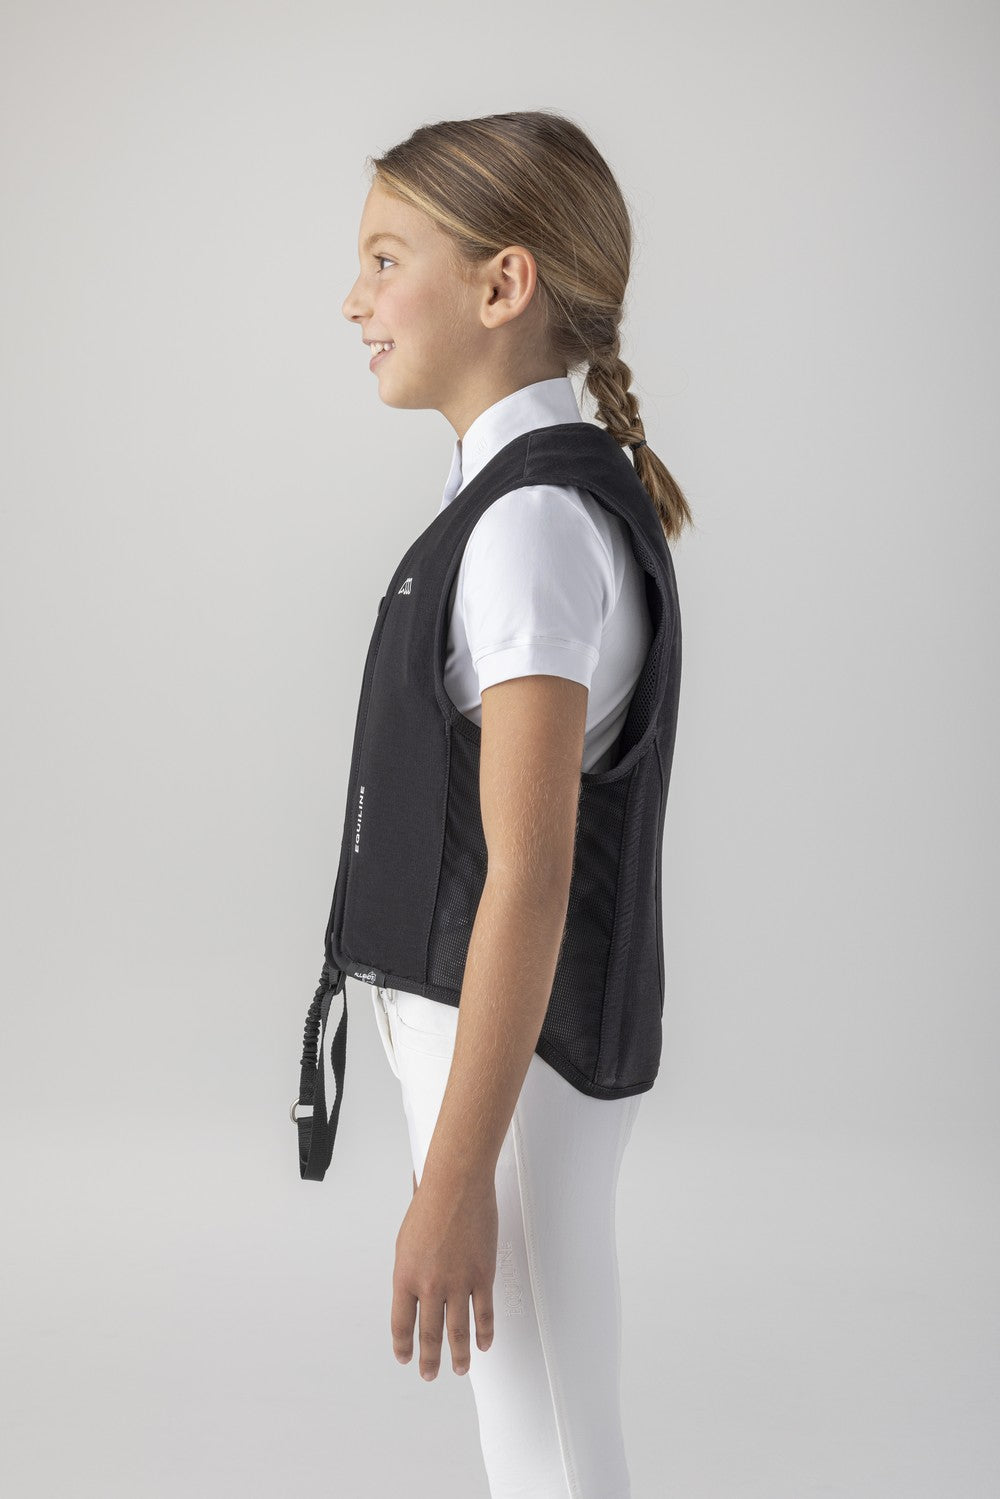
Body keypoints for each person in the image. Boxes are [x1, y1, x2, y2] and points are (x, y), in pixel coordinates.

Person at [336, 109, 692, 1499]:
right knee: (547, 1437)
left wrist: (454, 1178)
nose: (354, 300)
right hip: (509, 1059)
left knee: (549, 1453)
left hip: (510, 1067)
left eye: (385, 259)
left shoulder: (531, 526)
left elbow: (530, 873)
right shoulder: (520, 501)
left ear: (504, 285)